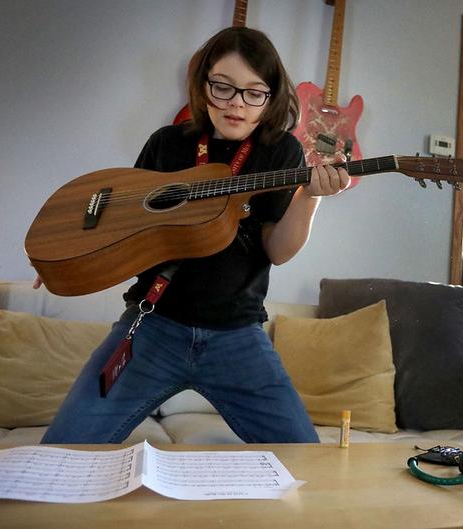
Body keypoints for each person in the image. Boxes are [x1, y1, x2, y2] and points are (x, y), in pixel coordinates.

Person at [38, 27, 350, 444]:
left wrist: (311, 196)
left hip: (238, 337)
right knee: (62, 448)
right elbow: (118, 214)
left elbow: (277, 250)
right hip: (153, 327)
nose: (236, 103)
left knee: (305, 457)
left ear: (270, 98)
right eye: (223, 87)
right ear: (203, 85)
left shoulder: (280, 154)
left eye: (254, 92)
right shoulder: (167, 144)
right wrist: (68, 254)